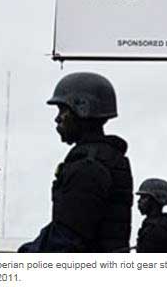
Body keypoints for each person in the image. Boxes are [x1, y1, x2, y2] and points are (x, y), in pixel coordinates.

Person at [18, 72, 134, 253]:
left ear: (83, 109)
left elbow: (67, 239)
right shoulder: (107, 159)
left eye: (63, 110)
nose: (57, 118)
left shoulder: (88, 167)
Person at [135, 179, 167, 253]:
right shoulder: (156, 225)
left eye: (144, 197)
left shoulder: (158, 229)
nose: (139, 201)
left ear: (156, 200)